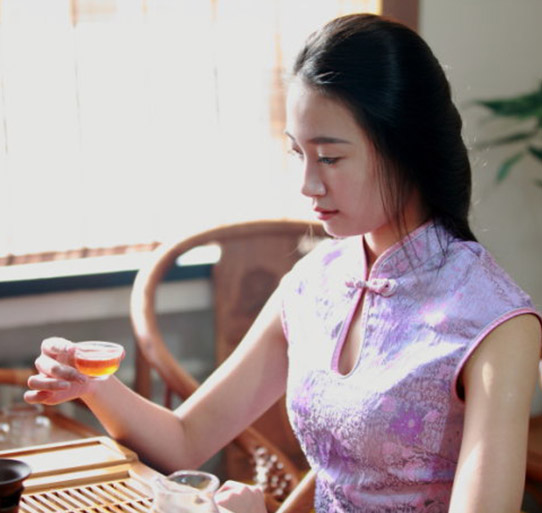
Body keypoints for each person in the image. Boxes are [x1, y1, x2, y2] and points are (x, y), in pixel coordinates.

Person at [25, 13, 541, 513]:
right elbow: (185, 439)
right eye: (298, 153)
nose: (307, 184)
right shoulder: (315, 282)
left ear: (407, 149)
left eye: (330, 157)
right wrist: (92, 386)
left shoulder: (495, 324)